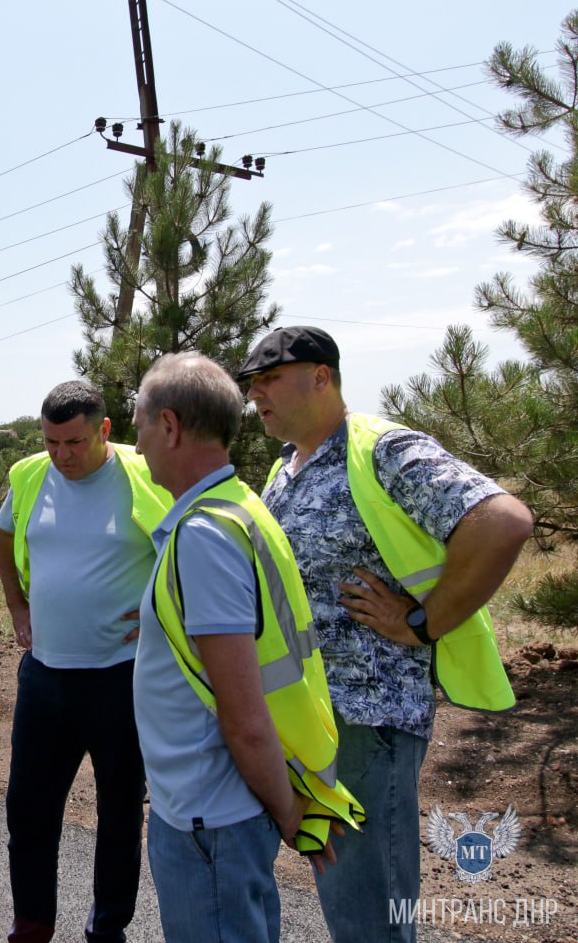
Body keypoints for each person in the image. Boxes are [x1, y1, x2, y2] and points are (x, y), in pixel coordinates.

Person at [239, 326, 533, 943]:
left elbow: (503, 521)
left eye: (269, 380)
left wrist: (422, 622)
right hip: (314, 719)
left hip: (369, 722)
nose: (255, 395)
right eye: (250, 385)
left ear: (321, 377)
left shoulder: (381, 450)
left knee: (370, 908)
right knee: (345, 898)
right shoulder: (286, 472)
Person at [131, 353, 362, 943]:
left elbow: (244, 716)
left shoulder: (203, 536)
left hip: (208, 814)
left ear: (170, 427)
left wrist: (288, 812)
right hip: (222, 809)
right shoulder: (239, 507)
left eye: (139, 427)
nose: (138, 445)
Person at [0, 380, 171, 943]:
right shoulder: (28, 475)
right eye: (51, 442)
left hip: (121, 677)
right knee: (28, 810)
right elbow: (1, 537)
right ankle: (32, 924)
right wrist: (17, 606)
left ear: (105, 430)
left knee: (119, 812)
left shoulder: (145, 477)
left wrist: (163, 612)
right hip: (44, 674)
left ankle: (107, 926)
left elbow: (191, 543)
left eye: (73, 442)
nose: (62, 455)